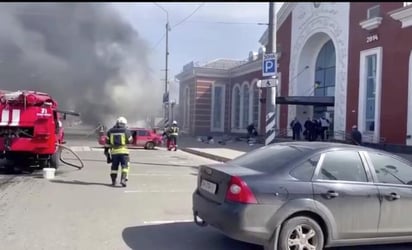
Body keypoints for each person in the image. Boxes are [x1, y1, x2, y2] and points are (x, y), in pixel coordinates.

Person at [105, 116, 133, 187]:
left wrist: (107, 156)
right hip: (124, 152)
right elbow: (130, 141)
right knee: (125, 166)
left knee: (114, 168)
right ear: (124, 124)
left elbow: (107, 144)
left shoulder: (110, 131)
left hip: (114, 152)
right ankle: (123, 179)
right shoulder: (126, 131)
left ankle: (113, 181)